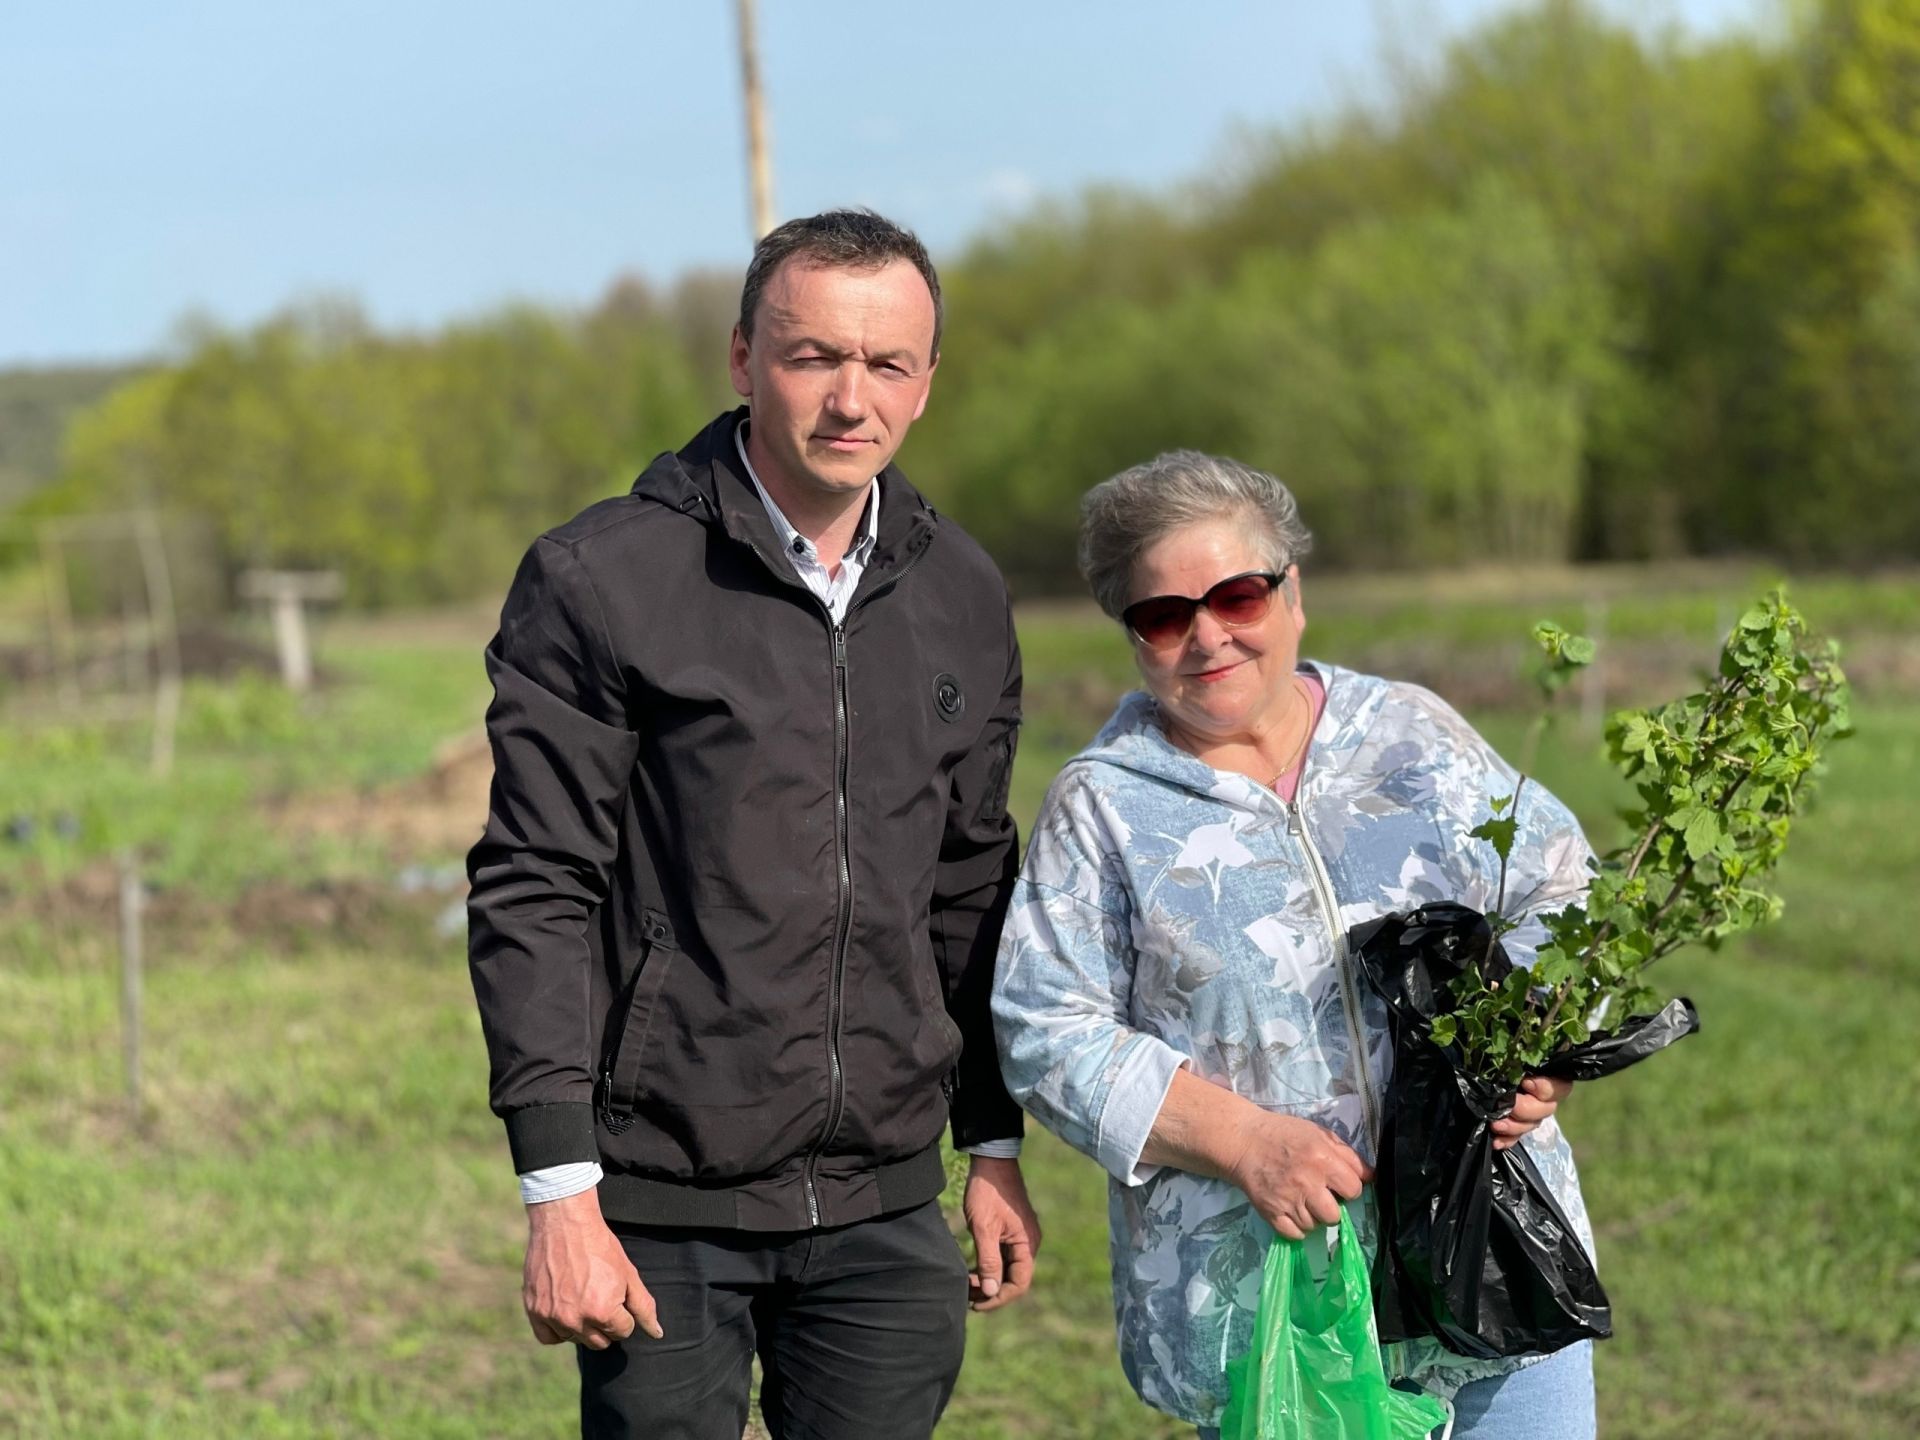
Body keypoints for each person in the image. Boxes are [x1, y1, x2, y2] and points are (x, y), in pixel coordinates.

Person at [467, 208, 1041, 1440]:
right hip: (665, 1211)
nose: (851, 398)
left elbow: (970, 882)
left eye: (887, 363)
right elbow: (536, 884)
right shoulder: (603, 580)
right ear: (742, 358)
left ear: (928, 381)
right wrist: (560, 1191)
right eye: (812, 356)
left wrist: (991, 1140)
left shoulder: (962, 594)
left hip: (886, 1212)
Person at [990, 450, 1597, 1439]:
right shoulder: (1104, 808)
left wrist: (1542, 1039)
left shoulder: (1410, 736)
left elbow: (1562, 892)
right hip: (1277, 1320)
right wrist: (1247, 1144)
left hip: (1497, 1275)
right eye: (1164, 614)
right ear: (1132, 636)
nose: (1208, 636)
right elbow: (1046, 1030)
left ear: (1293, 591)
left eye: (1237, 594)